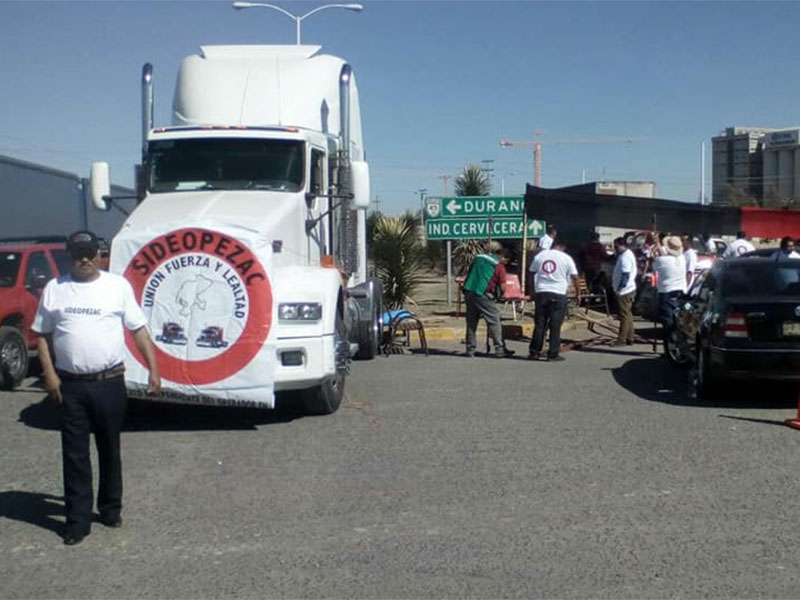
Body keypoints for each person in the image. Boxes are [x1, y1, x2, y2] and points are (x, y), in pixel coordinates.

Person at [32, 230, 161, 545]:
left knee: (109, 447)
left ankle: (110, 508)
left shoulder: (116, 287)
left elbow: (139, 330)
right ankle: (77, 521)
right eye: (78, 254)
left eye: (90, 253)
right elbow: (42, 335)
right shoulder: (55, 289)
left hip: (109, 382)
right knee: (74, 454)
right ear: (69, 257)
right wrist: (49, 375)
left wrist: (153, 369)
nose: (85, 259)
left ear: (100, 256)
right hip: (71, 386)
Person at [528, 239, 580, 361]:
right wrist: (578, 294)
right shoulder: (566, 258)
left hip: (542, 292)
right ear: (563, 247)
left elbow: (531, 273)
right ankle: (552, 354)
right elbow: (575, 277)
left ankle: (534, 352)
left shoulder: (540, 256)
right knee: (555, 325)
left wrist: (532, 291)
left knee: (540, 323)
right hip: (558, 293)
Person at [462, 245, 514, 358]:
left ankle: (470, 349)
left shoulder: (478, 258)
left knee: (471, 321)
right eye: (506, 261)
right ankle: (500, 349)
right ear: (503, 258)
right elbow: (503, 287)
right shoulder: (499, 266)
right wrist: (499, 295)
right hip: (483, 293)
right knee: (494, 320)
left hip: (469, 290)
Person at [651, 234, 686, 345]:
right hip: (681, 292)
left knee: (668, 322)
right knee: (679, 322)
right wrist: (658, 244)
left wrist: (656, 247)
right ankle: (678, 343)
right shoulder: (682, 258)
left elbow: (655, 263)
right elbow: (666, 255)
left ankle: (670, 344)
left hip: (666, 292)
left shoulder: (661, 260)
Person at [611, 237, 637, 346]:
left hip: (625, 290)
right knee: (628, 314)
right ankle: (630, 337)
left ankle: (621, 339)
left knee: (623, 315)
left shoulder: (625, 257)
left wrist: (619, 289)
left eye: (615, 246)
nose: (614, 248)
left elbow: (625, 275)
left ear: (620, 245)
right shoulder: (625, 254)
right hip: (628, 288)